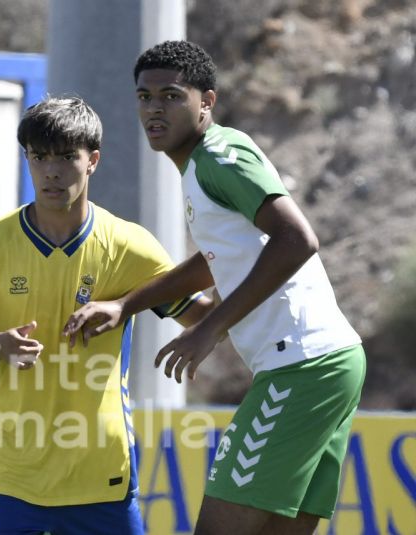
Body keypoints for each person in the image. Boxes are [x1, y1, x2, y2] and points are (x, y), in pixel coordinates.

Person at [63, 40, 366, 535]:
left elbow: (298, 239)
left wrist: (210, 327)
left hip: (302, 366)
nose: (154, 109)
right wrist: (126, 305)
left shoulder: (220, 156)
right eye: (144, 97)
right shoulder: (201, 168)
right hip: (328, 363)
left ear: (207, 101)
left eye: (171, 96)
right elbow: (215, 262)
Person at [0, 96, 211, 535]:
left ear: (93, 161)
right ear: (27, 159)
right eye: (40, 157)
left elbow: (201, 316)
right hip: (8, 475)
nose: (52, 171)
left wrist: (244, 255)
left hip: (100, 476)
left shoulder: (128, 245)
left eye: (67, 157)